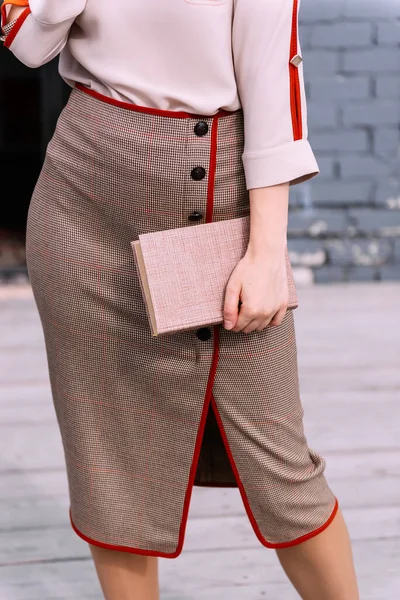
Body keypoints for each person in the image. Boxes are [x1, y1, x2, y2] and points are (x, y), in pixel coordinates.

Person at [1, 1, 360, 599]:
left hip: (208, 195)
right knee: (107, 461)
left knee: (280, 467)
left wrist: (267, 251)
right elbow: (28, 41)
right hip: (82, 197)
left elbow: (275, 87)